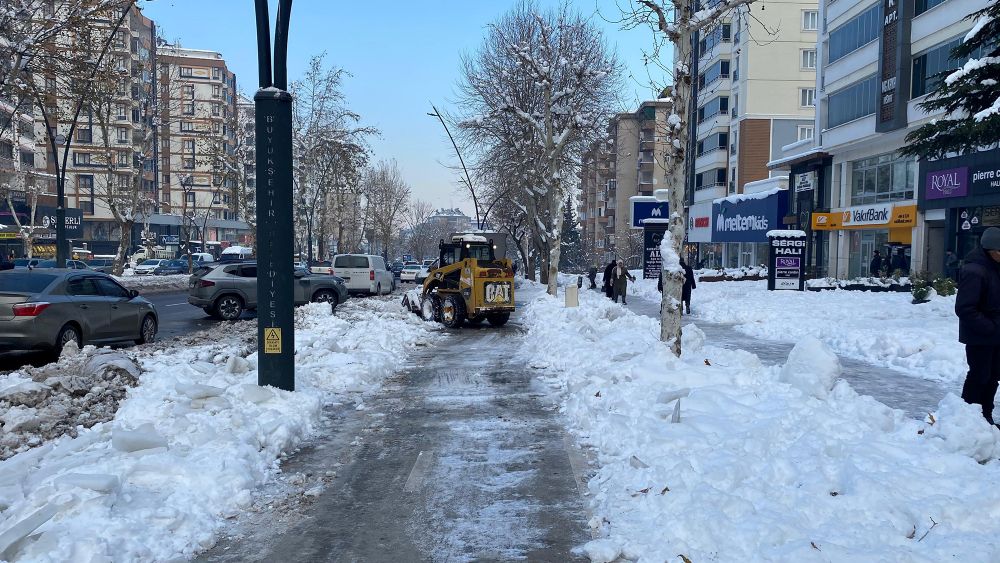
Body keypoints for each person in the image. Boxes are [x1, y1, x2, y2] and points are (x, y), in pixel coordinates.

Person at [956, 227, 1000, 425]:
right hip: (980, 336)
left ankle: (985, 417)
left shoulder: (995, 267)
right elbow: (965, 308)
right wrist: (990, 327)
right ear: (990, 250)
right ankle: (967, 420)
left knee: (993, 377)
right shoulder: (975, 270)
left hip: (995, 335)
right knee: (979, 376)